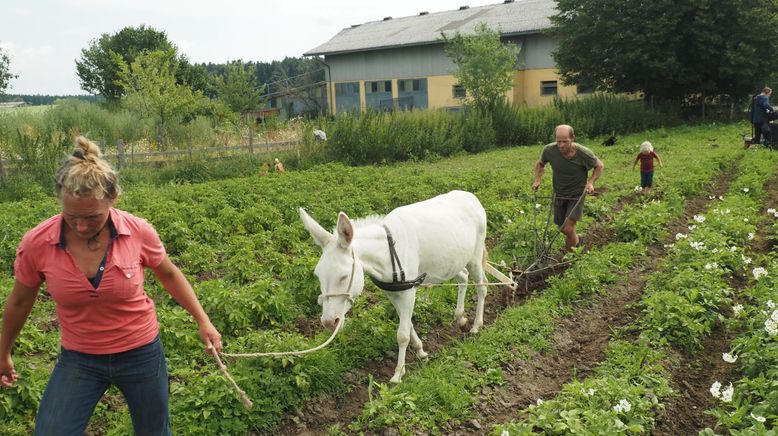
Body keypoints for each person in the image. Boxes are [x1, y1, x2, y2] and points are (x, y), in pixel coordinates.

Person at [0, 136, 223, 435]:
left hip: (141, 352)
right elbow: (19, 302)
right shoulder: (37, 243)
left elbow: (169, 274)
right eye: (71, 217)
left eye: (92, 217)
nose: (80, 227)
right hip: (80, 358)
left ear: (113, 198)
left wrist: (203, 320)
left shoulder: (137, 231)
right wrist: (3, 353)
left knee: (153, 431)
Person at [532, 124, 604, 252]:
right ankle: (576, 241)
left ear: (573, 138)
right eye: (558, 141)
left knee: (568, 228)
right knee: (562, 228)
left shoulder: (583, 153)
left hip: (577, 194)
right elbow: (540, 164)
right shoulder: (549, 150)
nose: (561, 145)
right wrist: (537, 179)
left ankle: (569, 256)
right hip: (559, 193)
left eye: (565, 141)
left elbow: (599, 166)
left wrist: (591, 182)